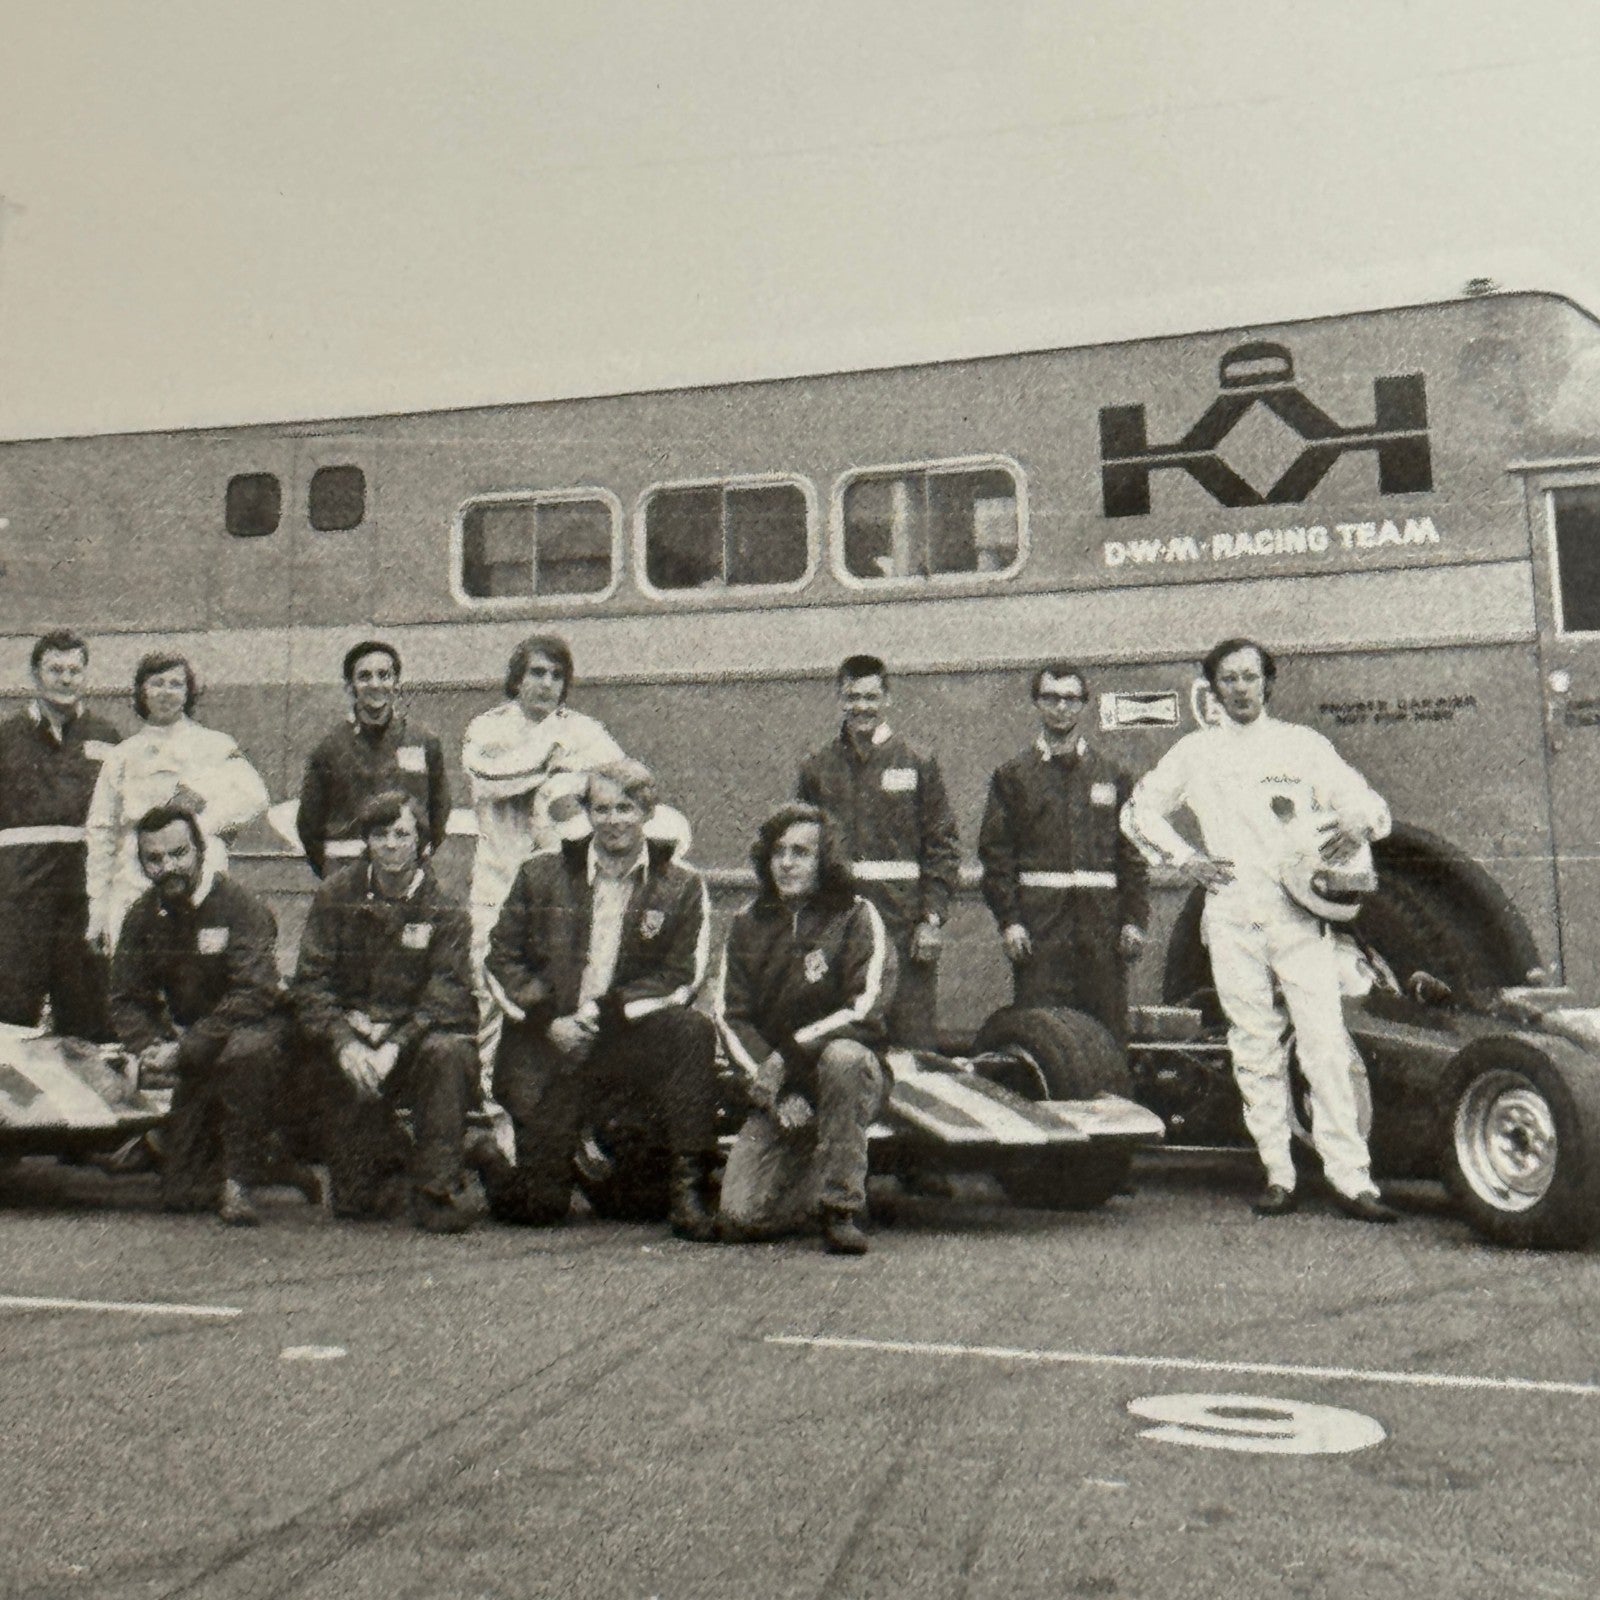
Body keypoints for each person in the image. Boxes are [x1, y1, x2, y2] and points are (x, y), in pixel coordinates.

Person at [1121, 637, 1398, 1223]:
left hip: (1299, 915)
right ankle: (1278, 1173)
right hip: (1231, 914)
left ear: (1267, 683)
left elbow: (1369, 804)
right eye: (1229, 679)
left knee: (1325, 1043)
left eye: (1250, 677)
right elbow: (1138, 812)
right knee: (1253, 1045)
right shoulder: (1196, 752)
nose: (1241, 689)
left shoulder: (1301, 744)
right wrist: (1186, 860)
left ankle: (1352, 1179)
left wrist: (1357, 827)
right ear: (1213, 689)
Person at [482, 759, 717, 1239]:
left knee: (691, 1030)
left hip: (619, 1041)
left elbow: (682, 975)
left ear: (647, 812)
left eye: (625, 808)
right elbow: (499, 958)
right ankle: (486, 1155)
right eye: (602, 809)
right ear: (588, 813)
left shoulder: (682, 885)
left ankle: (687, 1187)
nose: (613, 821)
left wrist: (605, 1013)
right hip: (549, 1045)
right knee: (538, 1206)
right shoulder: (540, 873)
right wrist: (549, 1020)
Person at [291, 790, 480, 1232]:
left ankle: (439, 1185)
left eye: (401, 834)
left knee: (447, 1051)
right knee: (356, 1203)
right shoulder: (336, 895)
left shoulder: (446, 907)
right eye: (380, 835)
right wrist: (344, 1042)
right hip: (355, 1047)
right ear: (367, 840)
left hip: (414, 1046)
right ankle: (440, 1155)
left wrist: (396, 1041)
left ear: (421, 841)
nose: (391, 845)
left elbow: (447, 994)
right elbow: (311, 982)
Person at [715, 802, 895, 1256]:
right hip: (779, 1088)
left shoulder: (856, 915)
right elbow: (731, 1015)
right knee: (740, 1216)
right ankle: (816, 1175)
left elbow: (865, 1009)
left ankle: (841, 1207)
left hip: (846, 1077)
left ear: (825, 860)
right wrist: (776, 1092)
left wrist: (788, 1056)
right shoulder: (747, 922)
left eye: (801, 852)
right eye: (779, 852)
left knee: (843, 1057)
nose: (787, 863)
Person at [108, 806, 296, 1225]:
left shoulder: (240, 905)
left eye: (178, 854)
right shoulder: (142, 917)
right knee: (182, 1194)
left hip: (259, 1032)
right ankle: (272, 1160)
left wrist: (186, 1048)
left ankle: (239, 1181)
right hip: (198, 1048)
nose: (168, 867)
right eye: (154, 859)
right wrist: (150, 1045)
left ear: (200, 850)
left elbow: (255, 992)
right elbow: (125, 997)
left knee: (245, 1053)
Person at [462, 635, 624, 1071]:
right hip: (498, 881)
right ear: (517, 679)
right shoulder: (487, 728)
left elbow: (623, 783)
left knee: (563, 987)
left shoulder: (584, 730)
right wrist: (556, 762)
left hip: (560, 888)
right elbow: (491, 777)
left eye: (556, 675)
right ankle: (489, 1095)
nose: (547, 683)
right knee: (489, 985)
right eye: (537, 672)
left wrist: (573, 781)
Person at [796, 654, 959, 1050]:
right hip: (839, 922)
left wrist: (931, 919)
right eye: (853, 697)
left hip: (903, 924)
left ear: (888, 698)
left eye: (871, 697)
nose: (862, 707)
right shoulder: (818, 766)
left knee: (911, 1038)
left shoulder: (918, 761)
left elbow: (942, 845)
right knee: (841, 1032)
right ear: (840, 699)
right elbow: (802, 845)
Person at [977, 663, 1149, 1038]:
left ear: (1084, 704)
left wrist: (1134, 920)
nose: (1061, 707)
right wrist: (1010, 922)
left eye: (1070, 699)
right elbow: (996, 857)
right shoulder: (1013, 776)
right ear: (1037, 703)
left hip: (1101, 933)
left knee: (1106, 1033)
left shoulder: (1113, 775)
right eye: (1051, 698)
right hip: (1040, 934)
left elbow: (1133, 856)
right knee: (1045, 1033)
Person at [85, 652, 270, 953]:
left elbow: (254, 796)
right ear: (142, 691)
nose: (166, 692)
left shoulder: (215, 745)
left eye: (175, 684)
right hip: (134, 879)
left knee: (200, 965)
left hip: (198, 877)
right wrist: (98, 907)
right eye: (157, 683)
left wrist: (197, 825)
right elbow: (101, 832)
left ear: (188, 692)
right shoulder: (121, 756)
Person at [0, 630, 121, 1038]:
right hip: (18, 895)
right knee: (11, 1005)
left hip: (83, 893)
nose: (66, 679)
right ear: (35, 674)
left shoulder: (107, 737)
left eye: (74, 670)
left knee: (86, 1005)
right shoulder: (5, 737)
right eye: (55, 669)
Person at [296, 640, 450, 877]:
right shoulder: (329, 749)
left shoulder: (424, 741)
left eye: (384, 675)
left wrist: (412, 854)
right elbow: (309, 825)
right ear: (350, 686)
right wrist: (336, 877)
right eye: (364, 676)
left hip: (407, 873)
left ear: (396, 683)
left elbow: (439, 811)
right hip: (347, 873)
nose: (375, 684)